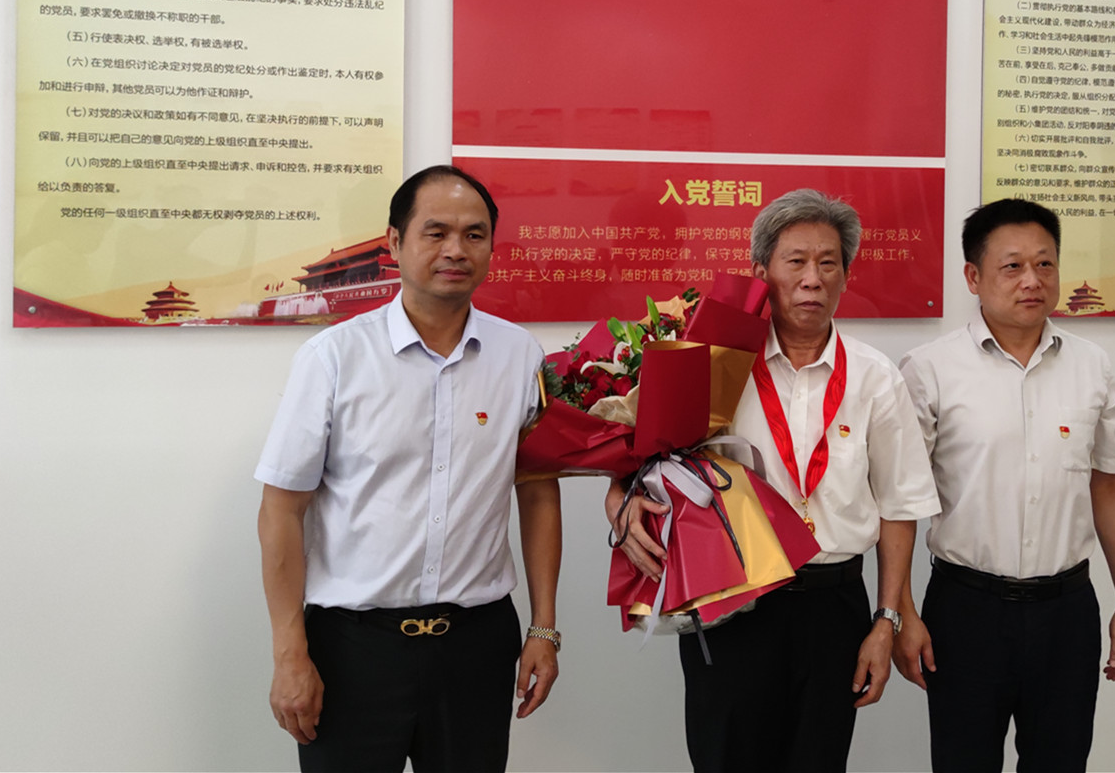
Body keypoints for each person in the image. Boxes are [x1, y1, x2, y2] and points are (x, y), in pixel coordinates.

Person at [609, 188, 942, 773]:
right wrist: (621, 503)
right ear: (762, 273)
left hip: (834, 607)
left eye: (828, 263)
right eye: (796, 262)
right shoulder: (713, 363)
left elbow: (899, 506)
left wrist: (885, 620)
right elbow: (639, 464)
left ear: (846, 276)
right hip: (732, 605)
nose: (813, 279)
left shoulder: (875, 377)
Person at [254, 164, 562, 772]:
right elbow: (281, 510)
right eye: (436, 232)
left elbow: (537, 493)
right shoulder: (334, 357)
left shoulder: (520, 356)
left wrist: (544, 628)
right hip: (353, 647)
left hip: (477, 643)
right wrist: (290, 652)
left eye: (474, 235)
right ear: (395, 242)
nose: (456, 250)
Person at [898, 198, 1115, 771]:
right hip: (965, 612)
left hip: (1067, 612)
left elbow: (1110, 485)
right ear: (973, 277)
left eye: (1044, 264)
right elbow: (900, 501)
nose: (1031, 280)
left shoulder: (1091, 365)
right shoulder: (929, 369)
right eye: (1012, 266)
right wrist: (902, 612)